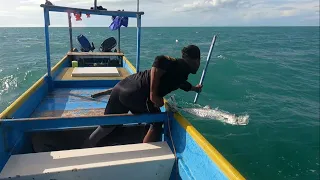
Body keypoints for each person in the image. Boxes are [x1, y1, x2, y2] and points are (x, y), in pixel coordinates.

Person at [82, 45, 203, 148]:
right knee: (156, 122)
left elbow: (181, 83)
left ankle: (85, 146)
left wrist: (194, 88)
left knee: (106, 126)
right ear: (194, 60)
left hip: (120, 87)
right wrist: (153, 94)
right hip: (137, 93)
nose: (198, 64)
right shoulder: (178, 65)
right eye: (198, 60)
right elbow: (159, 60)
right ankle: (144, 152)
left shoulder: (180, 74)